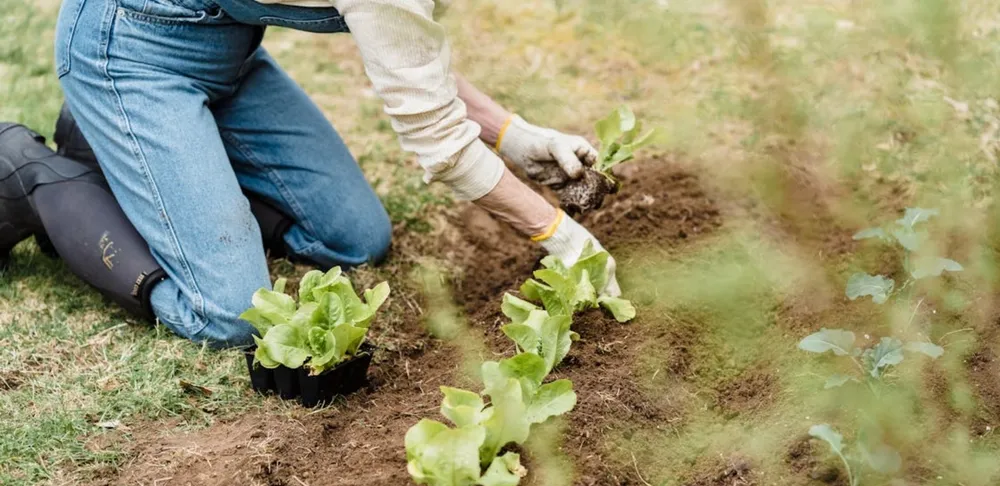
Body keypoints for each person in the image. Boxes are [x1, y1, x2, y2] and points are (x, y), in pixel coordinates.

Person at [0, 0, 620, 348]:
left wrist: (512, 135)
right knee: (234, 315)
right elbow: (438, 144)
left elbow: (403, 48)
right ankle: (33, 176)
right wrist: (556, 235)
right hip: (127, 49)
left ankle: (125, 145)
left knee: (354, 241)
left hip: (226, 53)